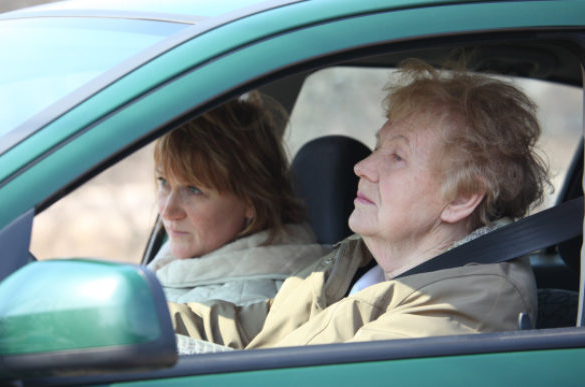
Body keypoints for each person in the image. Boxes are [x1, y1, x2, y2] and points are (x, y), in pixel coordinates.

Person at [168, 59, 548, 350]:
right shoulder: (358, 263)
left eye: (396, 157)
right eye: (378, 146)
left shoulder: (461, 309)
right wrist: (136, 316)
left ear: (461, 198)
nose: (363, 166)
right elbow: (257, 328)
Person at [148, 92, 329, 306]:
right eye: (164, 181)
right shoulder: (190, 256)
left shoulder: (241, 306)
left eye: (194, 189)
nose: (167, 210)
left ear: (251, 199)